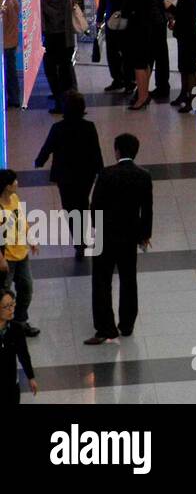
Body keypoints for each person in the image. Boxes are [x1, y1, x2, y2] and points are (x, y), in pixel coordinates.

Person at [85, 133, 152, 344]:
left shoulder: (106, 174)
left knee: (102, 281)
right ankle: (127, 324)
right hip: (130, 236)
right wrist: (144, 235)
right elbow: (147, 210)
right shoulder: (144, 175)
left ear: (117, 151)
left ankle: (106, 327)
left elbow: (94, 206)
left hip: (106, 235)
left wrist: (96, 227)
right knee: (128, 279)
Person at [32, 90, 103, 259]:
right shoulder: (89, 127)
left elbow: (47, 147)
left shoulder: (58, 128)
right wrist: (101, 170)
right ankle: (84, 233)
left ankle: (78, 241)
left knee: (69, 207)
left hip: (65, 175)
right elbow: (95, 150)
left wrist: (39, 161)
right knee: (82, 202)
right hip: (86, 174)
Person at [0, 170, 38, 339]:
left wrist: (31, 239)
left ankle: (20, 322)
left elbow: (22, 221)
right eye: (14, 181)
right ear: (6, 186)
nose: (17, 183)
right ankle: (4, 326)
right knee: (4, 293)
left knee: (26, 289)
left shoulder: (14, 199)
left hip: (22, 255)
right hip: (6, 259)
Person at [40, 0, 76, 114]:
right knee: (65, 71)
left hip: (51, 38)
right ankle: (69, 101)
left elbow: (49, 17)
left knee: (51, 71)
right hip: (65, 38)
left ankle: (57, 98)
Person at [96, 0, 130, 93]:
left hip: (124, 21)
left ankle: (128, 81)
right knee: (111, 52)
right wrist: (99, 18)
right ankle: (116, 79)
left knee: (125, 52)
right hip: (110, 20)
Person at [0, 290, 37, 403]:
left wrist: (30, 377)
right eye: (7, 306)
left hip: (11, 385)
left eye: (12, 304)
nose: (11, 309)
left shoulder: (16, 329)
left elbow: (23, 354)